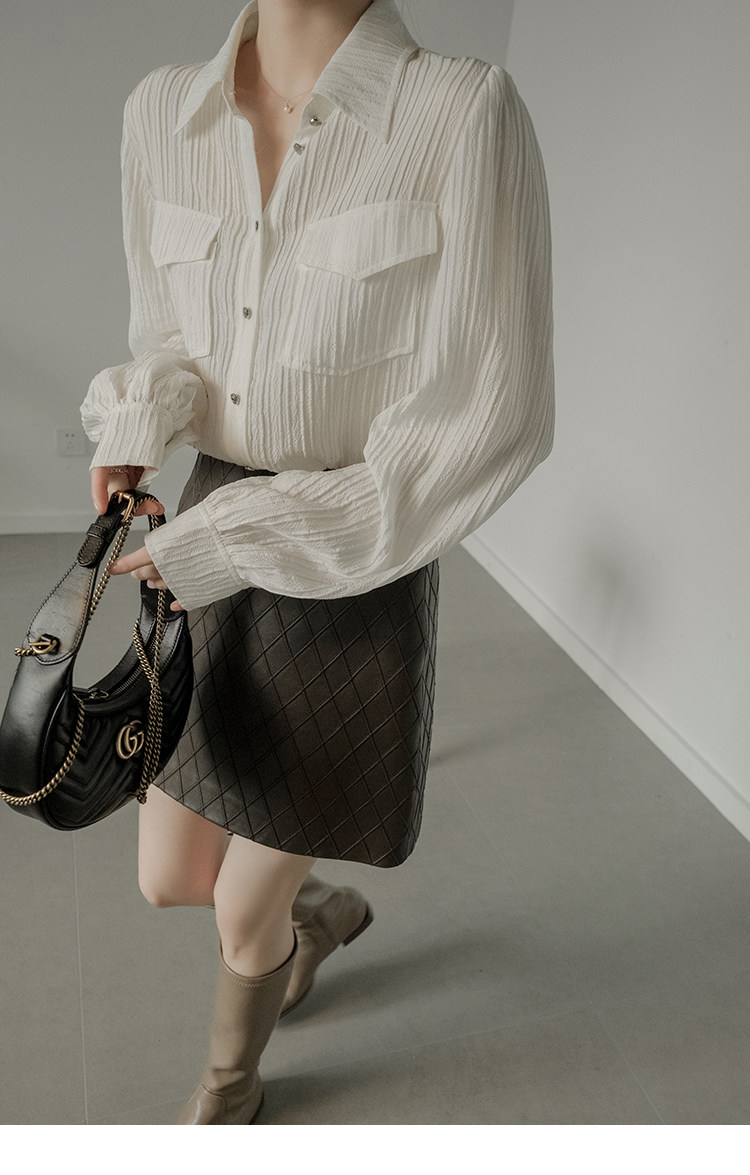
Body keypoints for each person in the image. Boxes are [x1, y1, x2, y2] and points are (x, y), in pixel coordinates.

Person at [81, 0, 554, 1125]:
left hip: (354, 552)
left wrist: (239, 537)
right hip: (206, 534)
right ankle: (320, 912)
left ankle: (231, 1083)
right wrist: (138, 426)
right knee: (170, 878)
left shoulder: (462, 112)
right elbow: (171, 337)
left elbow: (492, 414)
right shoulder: (163, 111)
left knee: (241, 908)